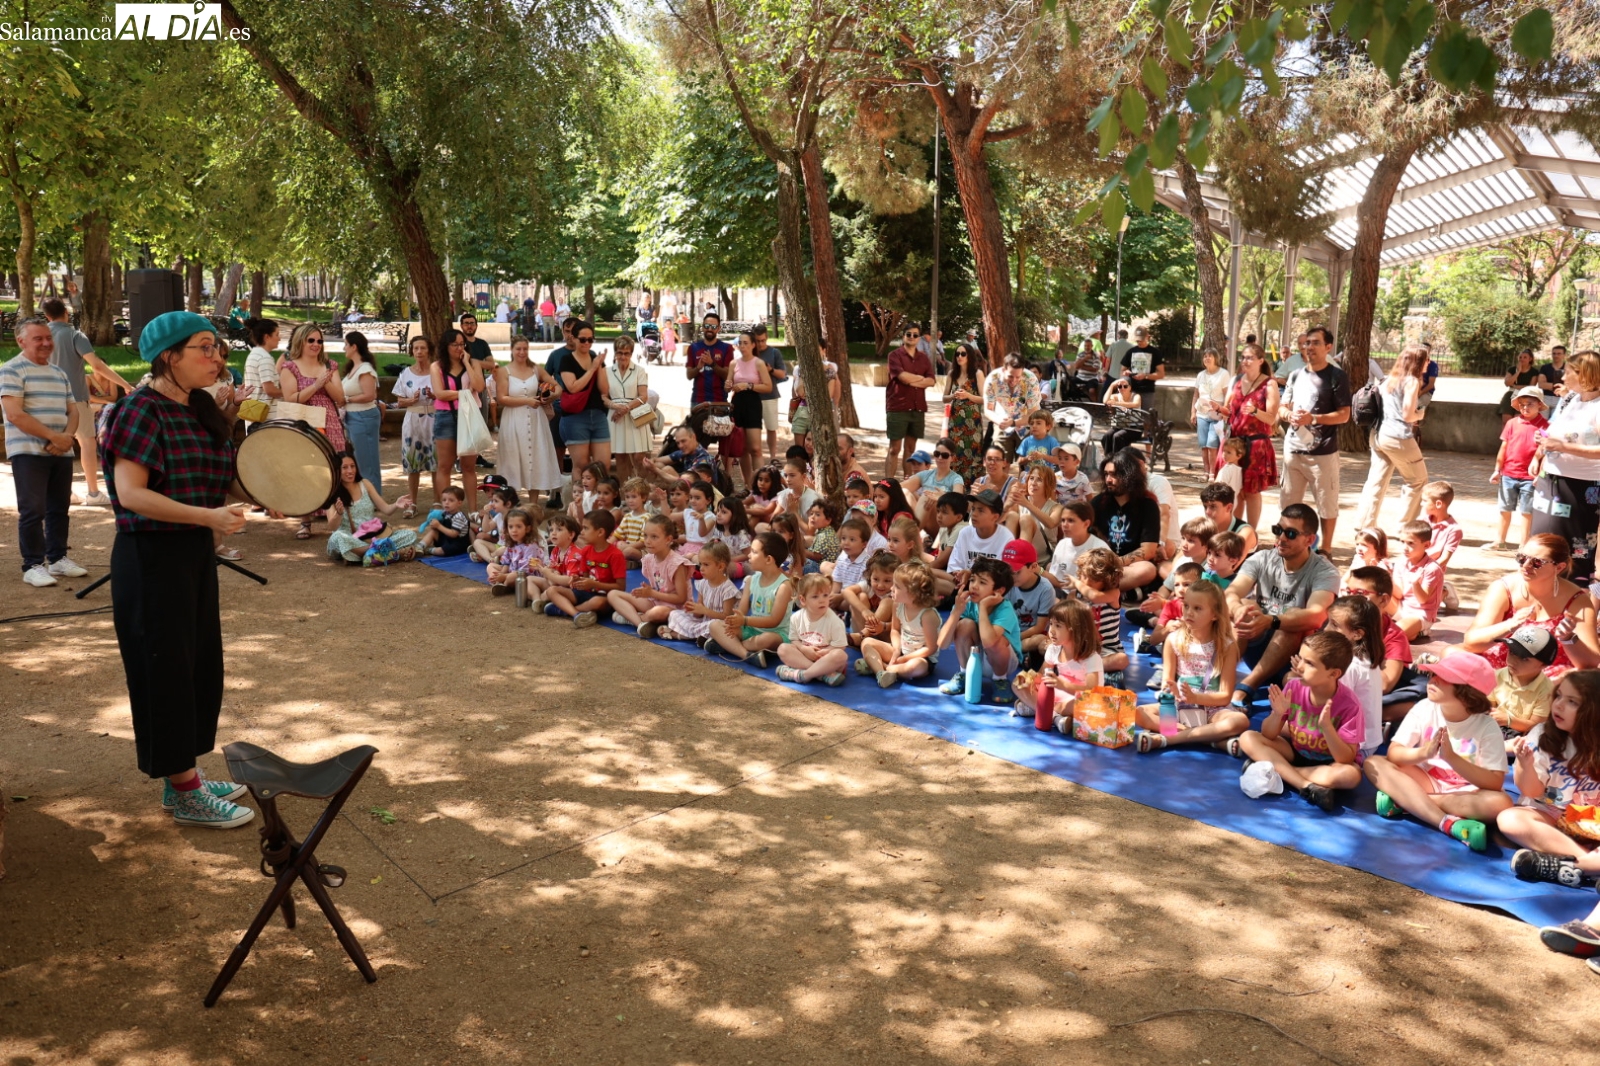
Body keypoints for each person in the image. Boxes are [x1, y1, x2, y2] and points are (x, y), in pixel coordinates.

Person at [99, 311, 253, 828]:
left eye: (218, 349)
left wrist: (280, 487)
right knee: (163, 671)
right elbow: (132, 494)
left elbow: (229, 481)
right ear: (169, 356)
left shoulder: (202, 408)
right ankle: (183, 792)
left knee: (196, 669)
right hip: (150, 558)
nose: (217, 359)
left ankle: (184, 775)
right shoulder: (139, 410)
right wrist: (207, 517)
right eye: (205, 348)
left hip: (191, 553)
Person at [1364, 653, 1511, 853]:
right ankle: (1448, 823)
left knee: (1500, 804)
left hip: (1466, 793)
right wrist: (1424, 753)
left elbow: (1494, 783)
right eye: (1434, 674)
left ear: (1466, 692)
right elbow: (1394, 754)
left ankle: (1406, 802)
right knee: (1373, 763)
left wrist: (1452, 758)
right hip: (1426, 782)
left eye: (1444, 678)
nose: (1432, 679)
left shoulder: (1487, 726)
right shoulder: (1425, 708)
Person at [1224, 503, 1340, 711]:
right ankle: (1222, 680)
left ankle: (1245, 687)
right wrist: (1236, 608)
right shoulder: (1262, 558)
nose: (1281, 538)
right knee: (1245, 607)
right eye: (1278, 530)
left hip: (1297, 661)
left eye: (1291, 533)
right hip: (1258, 647)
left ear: (1310, 540)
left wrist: (1271, 620)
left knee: (1293, 618)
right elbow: (1231, 593)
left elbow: (1316, 616)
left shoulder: (1325, 572)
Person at [2, 318, 88, 586]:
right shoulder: (12, 370)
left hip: (60, 451)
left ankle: (58, 558)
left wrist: (67, 438)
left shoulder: (59, 373)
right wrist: (54, 437)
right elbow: (15, 414)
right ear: (21, 341)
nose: (46, 343)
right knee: (32, 509)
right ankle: (33, 564)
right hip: (28, 451)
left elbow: (73, 410)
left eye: (48, 338)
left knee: (59, 508)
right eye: (38, 338)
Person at [1236, 631, 1364, 812]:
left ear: (1334, 673)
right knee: (1248, 737)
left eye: (1309, 663)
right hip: (1295, 752)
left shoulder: (1349, 704)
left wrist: (1327, 728)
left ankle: (1274, 768)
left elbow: (1346, 758)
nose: (1300, 667)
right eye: (1301, 659)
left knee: (1351, 775)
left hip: (1327, 764)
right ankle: (1306, 786)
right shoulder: (1293, 687)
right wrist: (1277, 714)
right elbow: (1268, 734)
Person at [1497, 669, 1600, 891]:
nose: (1559, 705)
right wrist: (1525, 765)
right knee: (1509, 818)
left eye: (1572, 702)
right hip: (1550, 816)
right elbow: (1531, 791)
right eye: (1559, 695)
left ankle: (1572, 867)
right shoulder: (1543, 735)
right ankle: (1588, 865)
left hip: (1593, 820)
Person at [1461, 533, 1600, 676]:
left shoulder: (1576, 600)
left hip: (1549, 676)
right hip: (1499, 668)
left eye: (1537, 562)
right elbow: (1471, 642)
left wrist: (1569, 638)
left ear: (1559, 567)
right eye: (1521, 558)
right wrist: (1510, 624)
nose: (1526, 565)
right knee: (1452, 654)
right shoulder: (1503, 588)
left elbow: (1591, 663)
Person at [1135, 580, 1245, 752]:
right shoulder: (1173, 640)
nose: (1189, 612)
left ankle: (1169, 739)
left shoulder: (1226, 646)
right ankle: (1210, 740)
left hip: (1214, 710)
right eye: (1186, 606)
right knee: (1139, 712)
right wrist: (1171, 692)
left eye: (1197, 608)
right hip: (1180, 708)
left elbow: (1225, 696)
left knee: (1240, 721)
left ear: (1214, 614)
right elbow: (1167, 683)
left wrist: (1196, 698)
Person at [42, 297, 131, 505]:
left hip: (46, 397)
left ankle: (61, 492)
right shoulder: (75, 335)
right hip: (75, 399)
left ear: (47, 316)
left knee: (56, 444)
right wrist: (126, 384)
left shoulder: (40, 336)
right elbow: (97, 366)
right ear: (66, 312)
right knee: (87, 444)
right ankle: (93, 493)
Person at [1530, 349, 1600, 582]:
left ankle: (1574, 597)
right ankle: (1541, 586)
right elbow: (1553, 431)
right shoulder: (1571, 399)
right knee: (1543, 540)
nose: (1562, 378)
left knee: (1575, 547)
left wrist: (1563, 447)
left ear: (1584, 375)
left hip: (1582, 488)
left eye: (1568, 372)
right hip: (1550, 480)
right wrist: (1539, 455)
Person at [1278, 326, 1350, 549]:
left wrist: (1314, 419)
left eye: (1315, 343)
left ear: (1328, 347)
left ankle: (1325, 549)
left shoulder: (1337, 376)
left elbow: (1344, 415)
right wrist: (1288, 414)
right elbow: (1282, 408)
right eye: (1307, 343)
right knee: (1288, 505)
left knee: (1327, 506)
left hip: (1323, 454)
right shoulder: (1295, 375)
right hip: (1293, 452)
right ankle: (1286, 545)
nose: (1309, 347)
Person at [1352, 344, 1429, 532]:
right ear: (1418, 361)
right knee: (1418, 480)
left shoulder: (1388, 380)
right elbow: (1408, 415)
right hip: (1398, 437)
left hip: (1378, 435)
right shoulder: (1411, 381)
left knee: (1376, 481)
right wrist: (1420, 414)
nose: (1429, 362)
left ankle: (1364, 524)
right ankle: (1406, 526)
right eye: (1427, 359)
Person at [280, 324, 348, 536]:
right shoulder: (289, 368)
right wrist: (316, 384)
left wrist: (325, 381)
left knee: (334, 467)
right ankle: (305, 521)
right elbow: (290, 399)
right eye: (311, 340)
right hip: (303, 422)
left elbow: (340, 399)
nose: (316, 344)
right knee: (305, 468)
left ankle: (337, 517)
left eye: (319, 341)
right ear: (301, 341)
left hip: (330, 422)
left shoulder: (330, 365)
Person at [709, 531, 795, 667]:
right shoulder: (750, 580)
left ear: (768, 560)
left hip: (776, 633)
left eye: (754, 552)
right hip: (750, 630)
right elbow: (741, 611)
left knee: (765, 640)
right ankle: (746, 655)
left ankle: (728, 646)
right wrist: (735, 620)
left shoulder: (784, 586)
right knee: (714, 625)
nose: (749, 555)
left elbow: (774, 621)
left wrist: (744, 620)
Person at [1012, 600, 1103, 725]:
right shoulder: (1054, 649)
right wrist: (1029, 679)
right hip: (1057, 694)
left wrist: (1063, 685)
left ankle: (1036, 708)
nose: (1051, 630)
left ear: (1074, 629)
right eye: (1051, 624)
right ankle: (1054, 717)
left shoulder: (1091, 657)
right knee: (1017, 683)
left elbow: (1091, 691)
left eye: (1058, 626)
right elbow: (1042, 675)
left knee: (1081, 705)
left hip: (1078, 698)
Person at [1218, 344, 1279, 527]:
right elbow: (1228, 411)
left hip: (1256, 445)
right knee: (1233, 490)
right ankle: (1234, 530)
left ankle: (1251, 533)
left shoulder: (1269, 384)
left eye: (1250, 357)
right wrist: (1216, 409)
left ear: (1261, 360)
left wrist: (1254, 412)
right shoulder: (1235, 380)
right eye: (1243, 357)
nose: (1245, 361)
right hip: (1234, 443)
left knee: (1251, 492)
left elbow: (1271, 419)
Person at [495, 335, 563, 498]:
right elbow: (502, 398)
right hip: (513, 419)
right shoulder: (504, 371)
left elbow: (558, 387)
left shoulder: (536, 369)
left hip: (535, 419)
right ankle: (512, 500)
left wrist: (549, 396)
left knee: (536, 457)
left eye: (525, 348)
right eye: (518, 349)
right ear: (512, 350)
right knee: (513, 457)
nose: (522, 352)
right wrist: (526, 400)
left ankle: (534, 502)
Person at [859, 561, 942, 688]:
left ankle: (881, 667)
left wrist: (904, 659)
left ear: (913, 592)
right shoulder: (897, 605)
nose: (891, 588)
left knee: (916, 667)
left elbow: (931, 648)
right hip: (901, 651)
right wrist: (897, 651)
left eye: (897, 586)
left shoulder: (927, 615)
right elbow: (895, 630)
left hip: (921, 658)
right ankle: (881, 673)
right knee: (867, 642)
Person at [430, 327, 486, 515]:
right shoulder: (437, 367)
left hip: (469, 416)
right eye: (455, 344)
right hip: (445, 417)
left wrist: (468, 364)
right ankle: (447, 510)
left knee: (468, 466)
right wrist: (465, 393)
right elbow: (440, 394)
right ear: (446, 346)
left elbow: (479, 386)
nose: (459, 348)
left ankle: (472, 510)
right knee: (445, 466)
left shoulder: (474, 363)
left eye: (462, 344)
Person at [325, 453, 416, 563]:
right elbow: (332, 527)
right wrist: (338, 514)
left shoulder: (365, 484)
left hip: (371, 539)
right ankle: (386, 552)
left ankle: (368, 554)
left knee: (410, 534)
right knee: (338, 537)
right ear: (336, 470)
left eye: (352, 466)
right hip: (349, 540)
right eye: (344, 467)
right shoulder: (331, 492)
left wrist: (396, 504)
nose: (350, 471)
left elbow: (386, 509)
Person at [543, 509, 627, 628]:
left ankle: (563, 609)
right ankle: (576, 614)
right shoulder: (586, 551)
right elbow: (584, 578)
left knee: (598, 602)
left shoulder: (615, 555)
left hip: (604, 597)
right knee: (552, 590)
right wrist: (577, 579)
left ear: (600, 532)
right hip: (584, 593)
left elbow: (620, 588)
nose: (581, 532)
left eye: (586, 528)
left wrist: (594, 584)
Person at [609, 515, 691, 637]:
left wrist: (652, 593)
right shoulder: (648, 559)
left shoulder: (677, 564)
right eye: (645, 535)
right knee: (613, 594)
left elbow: (681, 599)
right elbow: (658, 588)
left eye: (654, 537)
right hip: (655, 601)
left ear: (668, 539)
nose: (647, 541)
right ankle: (640, 624)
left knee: (656, 613)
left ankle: (632, 618)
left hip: (675, 609)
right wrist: (646, 592)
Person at [1091, 449, 1160, 592]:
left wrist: (1116, 563)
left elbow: (1148, 550)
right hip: (1100, 564)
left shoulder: (1148, 505)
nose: (1108, 479)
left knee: (1148, 570)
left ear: (1129, 475)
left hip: (1130, 567)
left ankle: (1097, 588)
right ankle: (1120, 591)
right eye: (1106, 474)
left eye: (1114, 474)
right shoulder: (1098, 502)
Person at [1491, 386, 1550, 550]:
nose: (1525, 407)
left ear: (1539, 404)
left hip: (1530, 478)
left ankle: (1524, 544)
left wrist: (1541, 474)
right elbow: (1504, 447)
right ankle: (1500, 541)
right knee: (1504, 509)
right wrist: (1497, 469)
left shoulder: (1545, 426)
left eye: (1529, 403)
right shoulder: (1511, 423)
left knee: (1527, 511)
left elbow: (1546, 453)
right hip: (1508, 474)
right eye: (1522, 404)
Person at [775, 573, 851, 686]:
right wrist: (804, 649)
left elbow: (840, 646)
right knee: (783, 649)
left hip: (826, 660)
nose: (822, 600)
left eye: (825, 595)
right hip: (805, 658)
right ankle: (822, 675)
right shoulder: (796, 618)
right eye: (815, 597)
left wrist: (825, 652)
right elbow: (794, 640)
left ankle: (802, 675)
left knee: (841, 655)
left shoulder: (835, 621)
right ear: (803, 599)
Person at [558, 321, 613, 475]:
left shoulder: (595, 357)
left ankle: (599, 498)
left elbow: (604, 390)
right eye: (583, 339)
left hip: (597, 415)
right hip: (575, 418)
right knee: (581, 466)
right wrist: (593, 368)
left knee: (603, 466)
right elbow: (573, 387)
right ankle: (579, 498)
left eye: (590, 339)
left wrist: (600, 366)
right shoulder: (566, 360)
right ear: (573, 338)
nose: (587, 343)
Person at [660, 542, 740, 644]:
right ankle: (701, 637)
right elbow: (699, 614)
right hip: (703, 623)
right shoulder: (702, 584)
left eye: (706, 564)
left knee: (714, 626)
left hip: (718, 625)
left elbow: (727, 618)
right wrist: (695, 610)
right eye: (700, 564)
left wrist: (705, 611)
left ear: (720, 567)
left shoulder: (728, 590)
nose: (701, 568)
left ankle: (679, 635)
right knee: (674, 614)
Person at [391, 336, 436, 516]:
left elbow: (445, 395)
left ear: (428, 350)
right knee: (413, 462)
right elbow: (399, 401)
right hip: (412, 419)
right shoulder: (406, 373)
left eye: (422, 348)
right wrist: (412, 399)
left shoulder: (436, 372)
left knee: (436, 462)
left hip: (433, 418)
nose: (419, 352)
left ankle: (439, 503)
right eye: (416, 348)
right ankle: (412, 503)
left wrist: (434, 395)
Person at [886, 323, 937, 479]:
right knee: (894, 448)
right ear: (904, 336)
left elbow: (931, 381)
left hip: (917, 407)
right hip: (898, 406)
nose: (912, 337)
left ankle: (908, 483)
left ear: (919, 338)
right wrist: (920, 379)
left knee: (910, 449)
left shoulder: (923, 358)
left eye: (915, 335)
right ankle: (887, 484)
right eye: (909, 334)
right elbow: (901, 377)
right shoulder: (894, 355)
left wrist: (912, 380)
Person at [728, 328, 775, 486]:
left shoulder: (759, 363)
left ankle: (760, 484)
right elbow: (728, 385)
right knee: (741, 449)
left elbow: (768, 387)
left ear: (753, 345)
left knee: (755, 447)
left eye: (746, 343)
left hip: (753, 403)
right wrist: (728, 385)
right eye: (740, 343)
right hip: (737, 403)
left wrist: (748, 385)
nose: (742, 346)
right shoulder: (734, 363)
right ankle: (748, 485)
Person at [604, 335, 653, 482]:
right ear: (615, 353)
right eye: (619, 352)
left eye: (626, 353)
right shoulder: (606, 372)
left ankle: (641, 487)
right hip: (615, 417)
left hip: (636, 414)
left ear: (631, 354)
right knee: (620, 456)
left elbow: (643, 396)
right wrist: (613, 405)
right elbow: (603, 396)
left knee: (639, 456)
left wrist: (625, 408)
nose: (623, 356)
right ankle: (624, 492)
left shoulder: (639, 371)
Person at [339, 331, 383, 494]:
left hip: (363, 417)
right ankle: (363, 495)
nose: (344, 348)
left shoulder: (365, 368)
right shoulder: (354, 368)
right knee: (357, 458)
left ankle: (373, 496)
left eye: (346, 344)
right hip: (352, 417)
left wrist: (347, 400)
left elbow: (370, 395)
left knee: (366, 460)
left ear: (354, 346)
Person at [943, 342, 987, 486]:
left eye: (963, 354)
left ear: (970, 356)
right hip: (955, 422)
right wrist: (953, 396)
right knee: (956, 454)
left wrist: (968, 395)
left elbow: (985, 399)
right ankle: (956, 486)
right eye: (957, 354)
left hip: (973, 422)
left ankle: (972, 489)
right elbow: (944, 398)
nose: (959, 357)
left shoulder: (977, 374)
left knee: (973, 455)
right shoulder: (952, 374)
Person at [982, 353, 1041, 458]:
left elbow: (1034, 412)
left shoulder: (1031, 379)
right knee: (1000, 462)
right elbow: (988, 410)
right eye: (1010, 376)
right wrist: (1001, 421)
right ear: (1004, 369)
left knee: (1027, 464)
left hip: (1027, 425)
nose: (1014, 381)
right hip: (1002, 423)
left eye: (1018, 377)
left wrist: (1014, 422)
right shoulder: (992, 379)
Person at [788, 337, 838, 451]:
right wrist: (808, 372)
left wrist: (810, 392)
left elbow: (827, 396)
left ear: (823, 351)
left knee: (816, 449)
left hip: (820, 413)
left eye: (817, 349)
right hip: (802, 411)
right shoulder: (802, 370)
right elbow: (800, 392)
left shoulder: (829, 372)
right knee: (799, 450)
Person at [750, 323, 788, 458]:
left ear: (766, 338)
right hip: (752, 396)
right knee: (753, 429)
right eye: (757, 341)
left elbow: (783, 374)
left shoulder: (774, 353)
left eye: (763, 340)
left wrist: (770, 370)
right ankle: (757, 456)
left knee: (771, 428)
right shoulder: (750, 353)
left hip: (770, 396)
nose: (760, 344)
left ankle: (773, 457)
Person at [1192, 347, 1230, 477]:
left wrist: (1224, 412)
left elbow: (1227, 396)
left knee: (1212, 444)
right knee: (1203, 445)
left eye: (1210, 356)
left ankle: (1214, 472)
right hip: (1201, 414)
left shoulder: (1223, 374)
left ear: (1216, 358)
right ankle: (1206, 471)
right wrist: (1193, 412)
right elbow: (1195, 395)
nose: (1207, 358)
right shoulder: (1200, 375)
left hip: (1216, 415)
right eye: (1205, 356)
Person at [240, 317, 283, 432]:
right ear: (267, 337)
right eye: (277, 334)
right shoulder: (264, 358)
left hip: (254, 413)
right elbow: (269, 389)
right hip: (266, 417)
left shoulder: (254, 355)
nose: (279, 338)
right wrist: (288, 393)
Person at [1117, 325, 1164, 402]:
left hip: (1147, 391)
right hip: (1131, 391)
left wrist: (1145, 376)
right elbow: (1122, 371)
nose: (1139, 342)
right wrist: (1126, 374)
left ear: (1147, 337)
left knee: (1146, 413)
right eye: (1137, 340)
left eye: (1141, 340)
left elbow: (1161, 374)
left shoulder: (1155, 352)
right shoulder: (1131, 352)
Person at [1500, 348, 1542, 423]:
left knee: (1519, 419)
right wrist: (1518, 372)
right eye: (1520, 357)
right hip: (1511, 394)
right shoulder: (1512, 369)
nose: (1522, 359)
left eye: (1525, 357)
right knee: (1506, 420)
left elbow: (1531, 387)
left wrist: (1516, 386)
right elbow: (1507, 383)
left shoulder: (1534, 372)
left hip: (1525, 395)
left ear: (1530, 359)